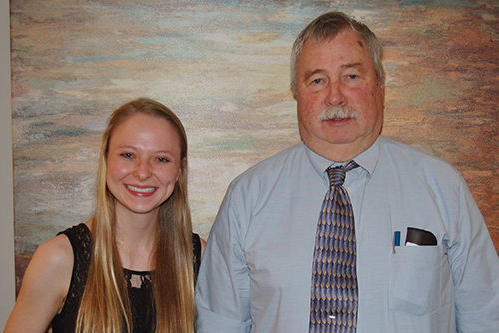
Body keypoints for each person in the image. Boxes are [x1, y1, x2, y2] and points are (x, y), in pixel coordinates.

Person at [195, 11, 499, 332]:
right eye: (317, 80)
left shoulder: (443, 188)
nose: (335, 96)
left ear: (380, 86)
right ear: (296, 93)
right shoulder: (246, 199)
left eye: (351, 76)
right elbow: (220, 323)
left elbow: (487, 317)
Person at [5, 98, 205, 333]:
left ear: (180, 169)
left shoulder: (199, 258)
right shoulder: (59, 258)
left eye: (161, 159)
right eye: (128, 155)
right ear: (106, 159)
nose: (142, 172)